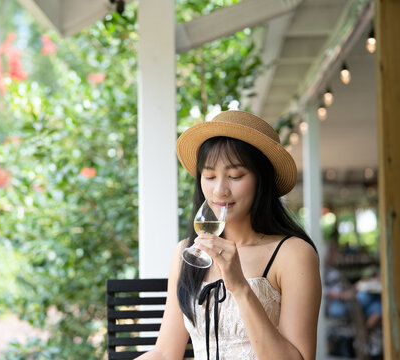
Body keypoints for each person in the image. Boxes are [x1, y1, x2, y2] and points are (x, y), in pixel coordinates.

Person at [136, 110, 321, 360]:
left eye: (235, 176)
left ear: (261, 179)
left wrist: (241, 287)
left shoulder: (293, 254)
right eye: (210, 176)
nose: (219, 191)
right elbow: (165, 352)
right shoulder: (186, 252)